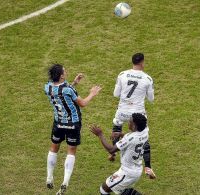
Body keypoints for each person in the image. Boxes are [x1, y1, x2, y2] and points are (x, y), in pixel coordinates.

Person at [44, 64, 102, 195]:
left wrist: (74, 83)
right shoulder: (68, 89)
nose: (67, 71)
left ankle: (49, 176)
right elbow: (83, 103)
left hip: (58, 123)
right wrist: (92, 94)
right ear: (61, 75)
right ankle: (65, 182)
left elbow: (61, 92)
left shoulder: (47, 87)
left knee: (53, 148)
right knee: (71, 152)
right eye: (65, 71)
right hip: (73, 123)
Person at [110, 53, 156, 179]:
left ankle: (112, 153)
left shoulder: (122, 75)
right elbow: (151, 99)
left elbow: (115, 94)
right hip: (137, 113)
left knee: (117, 126)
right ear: (142, 62)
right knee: (144, 138)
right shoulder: (147, 79)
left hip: (122, 110)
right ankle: (147, 167)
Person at [90, 113, 149, 195]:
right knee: (120, 190)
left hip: (127, 172)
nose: (128, 122)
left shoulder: (130, 138)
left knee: (104, 189)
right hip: (136, 169)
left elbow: (111, 150)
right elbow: (133, 139)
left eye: (130, 122)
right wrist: (121, 134)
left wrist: (100, 134)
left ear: (135, 126)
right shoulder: (145, 132)